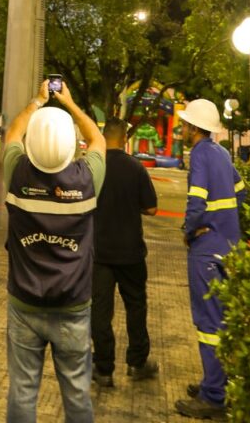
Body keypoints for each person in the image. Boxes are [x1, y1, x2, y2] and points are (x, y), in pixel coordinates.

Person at [3, 78, 106, 423]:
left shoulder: (17, 173)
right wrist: (70, 104)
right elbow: (98, 139)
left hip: (24, 304)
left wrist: (37, 101)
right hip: (73, 306)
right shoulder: (86, 179)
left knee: (22, 391)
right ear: (69, 145)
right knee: (77, 395)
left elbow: (12, 135)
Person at [175, 99, 246, 420]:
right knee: (224, 318)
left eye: (185, 124)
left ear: (193, 128)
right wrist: (227, 220)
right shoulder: (222, 153)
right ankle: (218, 382)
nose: (182, 128)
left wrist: (190, 230)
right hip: (229, 244)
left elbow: (197, 200)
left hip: (205, 248)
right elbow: (240, 191)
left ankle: (212, 397)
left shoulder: (201, 154)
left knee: (208, 323)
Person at [90, 118, 158, 387]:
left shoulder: (93, 167)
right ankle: (137, 363)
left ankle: (104, 369)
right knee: (136, 307)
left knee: (100, 312)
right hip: (131, 253)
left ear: (104, 137)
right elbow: (151, 208)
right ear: (124, 138)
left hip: (100, 254)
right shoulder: (136, 167)